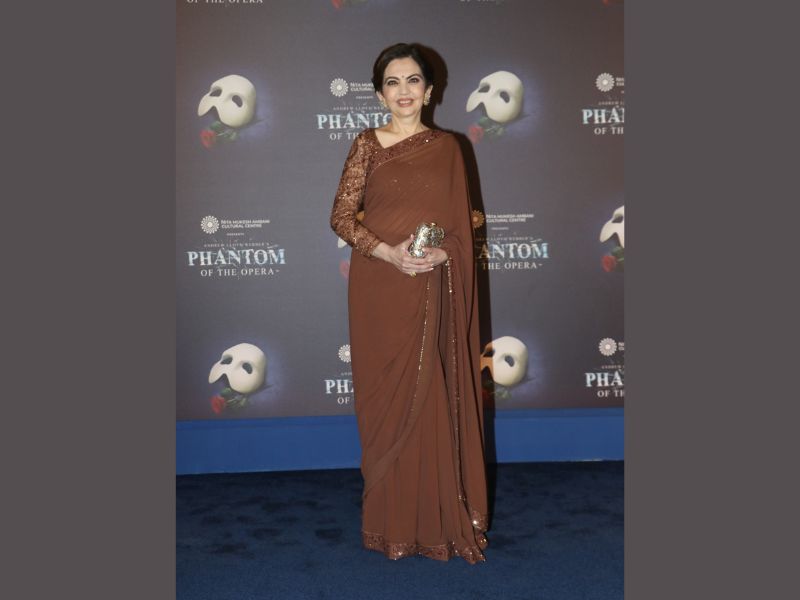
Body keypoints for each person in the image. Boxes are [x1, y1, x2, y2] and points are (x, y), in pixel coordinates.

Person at [330, 43, 489, 564]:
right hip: (379, 286)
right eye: (392, 82)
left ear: (430, 90)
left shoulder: (449, 148)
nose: (404, 91)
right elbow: (341, 217)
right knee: (385, 404)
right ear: (380, 94)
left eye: (413, 80)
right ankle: (389, 522)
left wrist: (443, 252)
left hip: (429, 284)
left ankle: (436, 521)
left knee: (431, 395)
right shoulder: (366, 144)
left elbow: (461, 228)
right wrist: (387, 252)